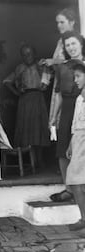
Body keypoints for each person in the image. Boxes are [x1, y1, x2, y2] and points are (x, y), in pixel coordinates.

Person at [39, 8, 76, 202]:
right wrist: (46, 77)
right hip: (63, 95)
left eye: (62, 22)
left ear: (72, 22)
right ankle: (69, 187)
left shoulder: (77, 42)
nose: (59, 26)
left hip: (78, 98)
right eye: (57, 23)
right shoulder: (59, 43)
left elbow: (75, 60)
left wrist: (55, 61)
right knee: (63, 144)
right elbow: (56, 69)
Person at [47, 31, 84, 203]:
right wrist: (54, 116)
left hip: (82, 108)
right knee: (63, 150)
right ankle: (69, 189)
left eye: (73, 43)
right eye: (67, 45)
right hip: (68, 110)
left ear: (81, 44)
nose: (71, 47)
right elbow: (60, 94)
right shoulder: (63, 67)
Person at [4, 44, 50, 166]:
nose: (27, 57)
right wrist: (17, 92)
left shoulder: (41, 66)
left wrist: (42, 74)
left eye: (29, 54)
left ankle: (40, 160)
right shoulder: (19, 68)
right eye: (24, 54)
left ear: (34, 54)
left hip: (38, 98)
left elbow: (46, 84)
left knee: (39, 128)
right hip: (25, 100)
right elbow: (7, 81)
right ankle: (32, 161)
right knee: (27, 130)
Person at [65, 61, 85, 234]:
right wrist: (72, 144)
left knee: (79, 180)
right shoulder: (79, 98)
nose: (76, 80)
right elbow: (75, 123)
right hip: (78, 140)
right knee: (75, 180)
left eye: (78, 76)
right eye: (74, 77)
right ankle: (83, 217)